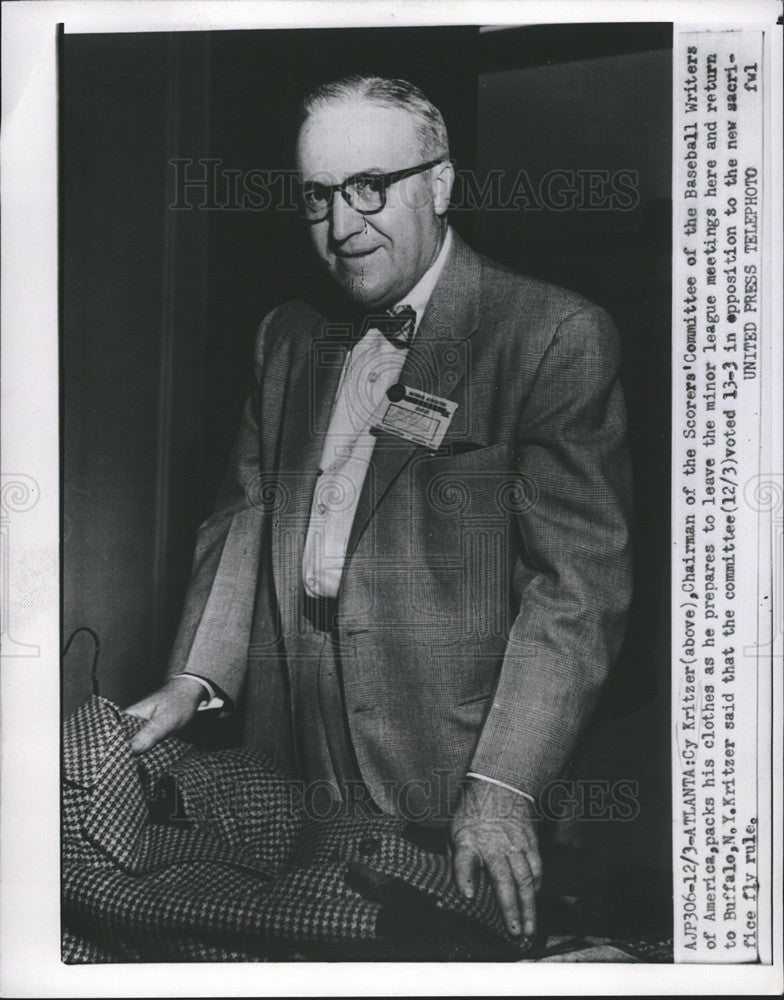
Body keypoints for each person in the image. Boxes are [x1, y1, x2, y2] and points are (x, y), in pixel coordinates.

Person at [127, 75, 632, 942]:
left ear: (439, 183)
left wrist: (504, 786)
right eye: (318, 197)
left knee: (441, 956)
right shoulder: (286, 334)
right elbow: (246, 511)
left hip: (454, 753)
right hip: (292, 729)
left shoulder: (550, 333)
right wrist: (194, 678)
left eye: (371, 187)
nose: (343, 224)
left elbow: (577, 591)